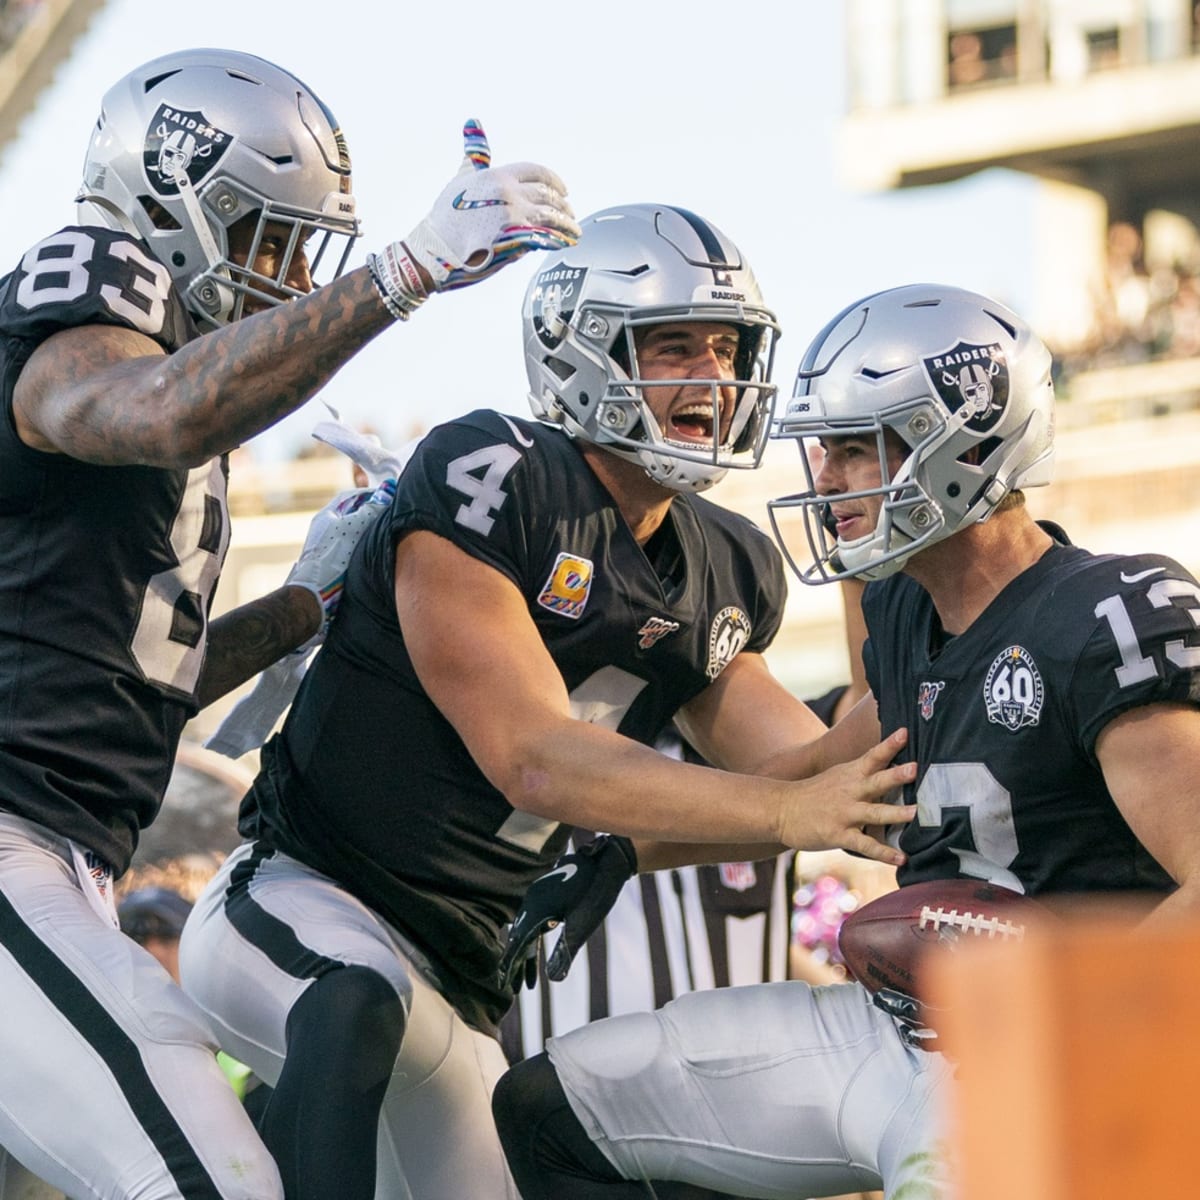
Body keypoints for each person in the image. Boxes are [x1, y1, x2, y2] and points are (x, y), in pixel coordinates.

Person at [178, 203, 918, 1200]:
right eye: (673, 346)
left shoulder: (723, 563)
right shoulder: (492, 473)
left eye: (727, 346)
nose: (712, 376)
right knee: (352, 1001)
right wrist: (789, 813)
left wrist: (890, 567)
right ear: (582, 352)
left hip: (461, 974)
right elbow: (531, 754)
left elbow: (817, 768)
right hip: (305, 894)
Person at [0, 45, 578, 1200]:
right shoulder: (92, 284)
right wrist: (401, 274)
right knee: (210, 1179)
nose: (280, 279)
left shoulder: (163, 406)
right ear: (169, 196)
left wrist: (307, 605)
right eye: (265, 240)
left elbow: (145, 673)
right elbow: (151, 410)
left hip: (64, 853)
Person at [490, 282, 1200, 1199]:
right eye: (824, 450)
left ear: (969, 441)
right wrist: (624, 854)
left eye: (854, 450)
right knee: (556, 1108)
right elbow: (814, 784)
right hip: (899, 1029)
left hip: (1070, 1045)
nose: (827, 480)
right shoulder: (907, 614)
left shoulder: (1103, 616)